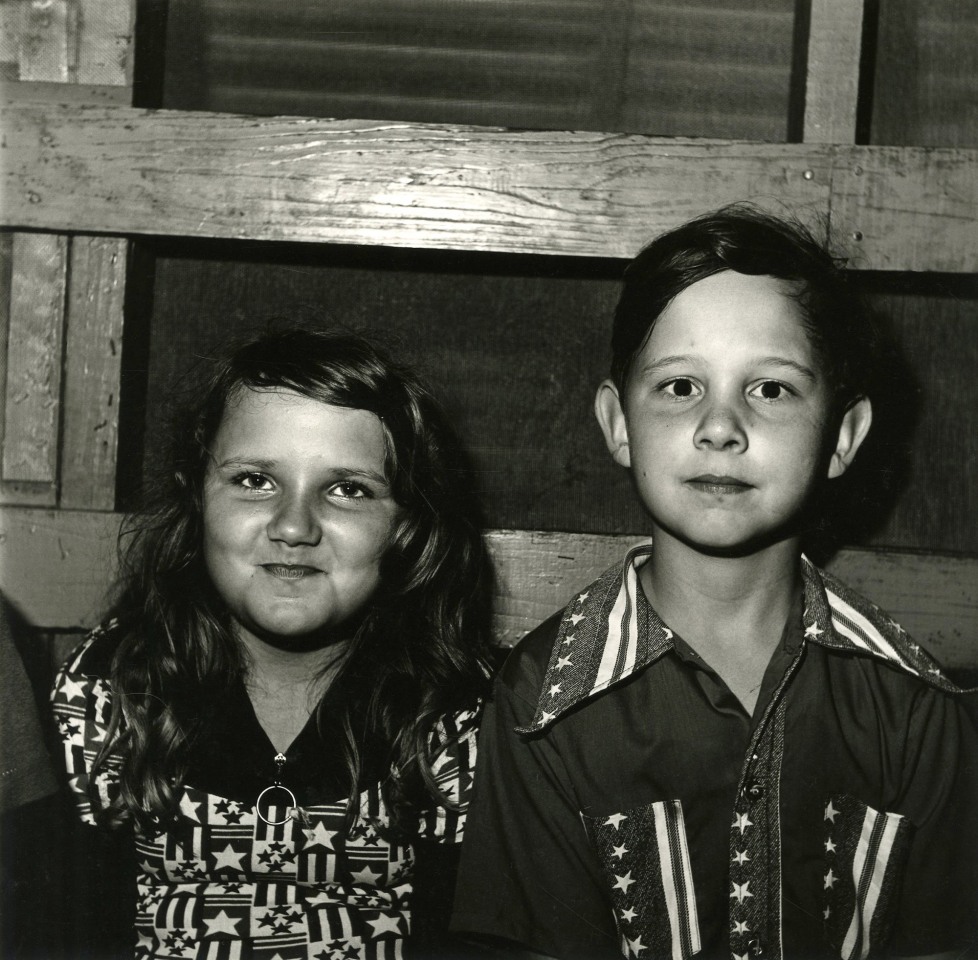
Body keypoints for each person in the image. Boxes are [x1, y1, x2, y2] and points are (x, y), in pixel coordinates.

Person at [450, 207, 978, 959]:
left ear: (844, 437)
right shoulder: (541, 708)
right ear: (619, 424)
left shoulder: (919, 712)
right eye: (678, 387)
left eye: (770, 389)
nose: (720, 426)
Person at [51, 329, 495, 959]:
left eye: (349, 489)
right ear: (196, 493)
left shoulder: (454, 712)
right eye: (256, 480)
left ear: (406, 523)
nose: (293, 526)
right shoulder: (110, 688)